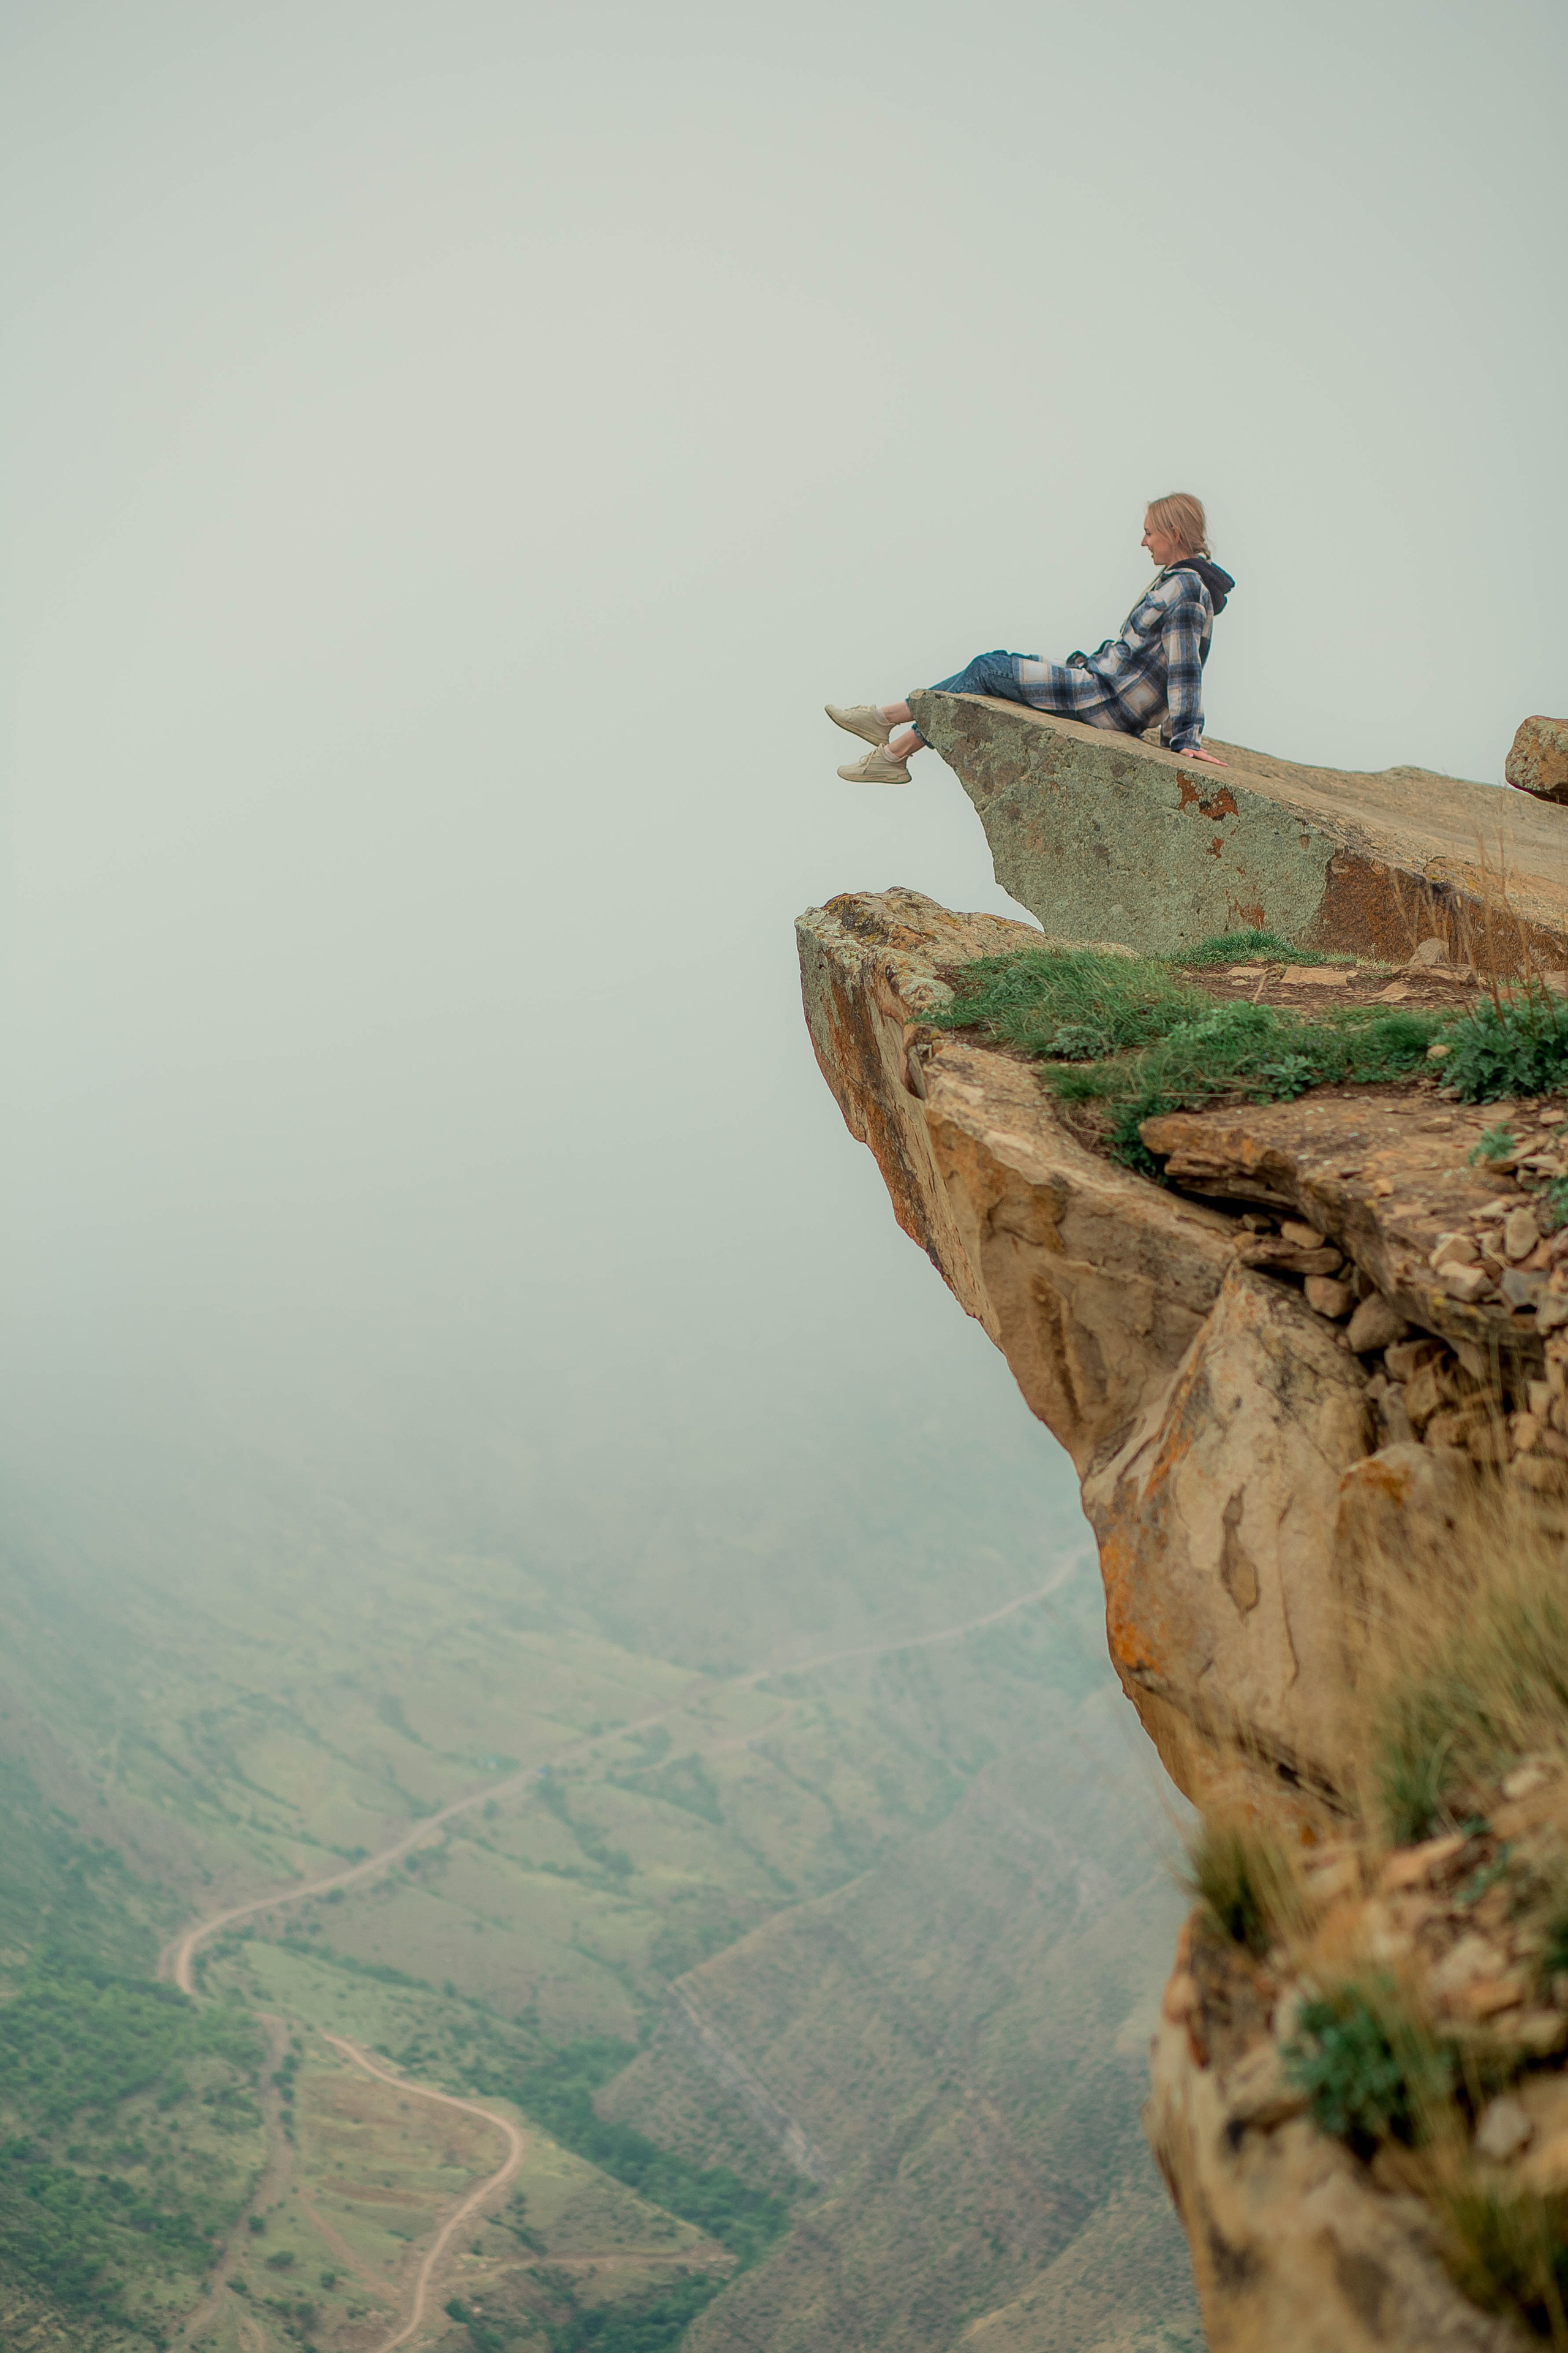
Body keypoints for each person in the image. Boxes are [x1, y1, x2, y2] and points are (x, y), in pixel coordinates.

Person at [827, 493, 1235, 784]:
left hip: (1103, 700)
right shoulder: (1185, 583)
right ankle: (885, 729)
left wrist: (1184, 738)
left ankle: (890, 744)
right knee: (991, 663)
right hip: (1098, 684)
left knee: (987, 670)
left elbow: (1186, 667)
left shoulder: (1186, 587)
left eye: (1149, 533)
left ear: (1175, 532)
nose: (1143, 542)